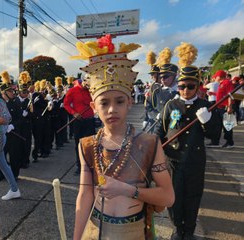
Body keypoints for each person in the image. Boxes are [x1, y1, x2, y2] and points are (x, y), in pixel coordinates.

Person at [73, 36, 174, 240]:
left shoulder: (149, 143)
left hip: (133, 231)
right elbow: (85, 196)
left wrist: (127, 189)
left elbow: (168, 197)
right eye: (104, 103)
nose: (112, 109)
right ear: (94, 108)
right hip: (95, 229)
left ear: (129, 102)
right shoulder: (87, 145)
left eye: (119, 101)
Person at [156, 43, 217, 240]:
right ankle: (177, 229)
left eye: (190, 86)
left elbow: (215, 136)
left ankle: (189, 231)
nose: (185, 90)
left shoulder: (206, 106)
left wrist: (208, 122)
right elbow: (161, 131)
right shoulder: (170, 104)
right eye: (182, 86)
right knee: (174, 197)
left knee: (192, 197)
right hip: (173, 161)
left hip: (195, 161)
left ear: (198, 87)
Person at [63, 74, 95, 175]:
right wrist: (74, 113)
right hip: (78, 121)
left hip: (90, 121)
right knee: (79, 145)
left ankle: (92, 166)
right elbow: (66, 104)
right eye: (87, 82)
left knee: (91, 145)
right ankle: (80, 166)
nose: (88, 85)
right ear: (82, 81)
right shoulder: (73, 90)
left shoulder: (92, 90)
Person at [0, 71, 23, 180]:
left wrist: (12, 126)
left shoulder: (15, 103)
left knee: (14, 155)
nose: (12, 92)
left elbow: (20, 118)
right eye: (9, 91)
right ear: (4, 93)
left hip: (13, 133)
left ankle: (14, 175)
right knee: (1, 155)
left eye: (12, 90)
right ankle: (1, 175)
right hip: (2, 133)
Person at [207, 70, 235, 148]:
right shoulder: (221, 83)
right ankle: (215, 142)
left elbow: (230, 95)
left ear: (219, 76)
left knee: (227, 125)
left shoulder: (227, 82)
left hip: (225, 107)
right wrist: (213, 93)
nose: (215, 78)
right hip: (219, 107)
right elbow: (222, 94)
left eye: (216, 76)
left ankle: (230, 142)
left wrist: (229, 107)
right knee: (218, 125)